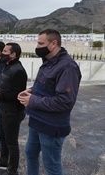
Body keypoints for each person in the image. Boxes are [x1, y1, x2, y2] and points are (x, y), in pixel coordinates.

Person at [18, 29, 82, 175]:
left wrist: (32, 100)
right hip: (37, 120)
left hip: (52, 126)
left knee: (51, 165)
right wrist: (32, 91)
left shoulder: (67, 67)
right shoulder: (48, 62)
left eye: (41, 43)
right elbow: (47, 86)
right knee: (30, 153)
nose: (37, 46)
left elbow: (65, 101)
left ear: (53, 44)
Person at [0, 43, 28, 175]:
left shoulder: (18, 71)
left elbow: (17, 94)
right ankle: (3, 161)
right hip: (3, 109)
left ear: (13, 55)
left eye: (5, 51)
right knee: (2, 137)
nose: (2, 53)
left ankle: (12, 170)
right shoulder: (7, 66)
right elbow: (7, 87)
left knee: (11, 142)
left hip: (12, 112)